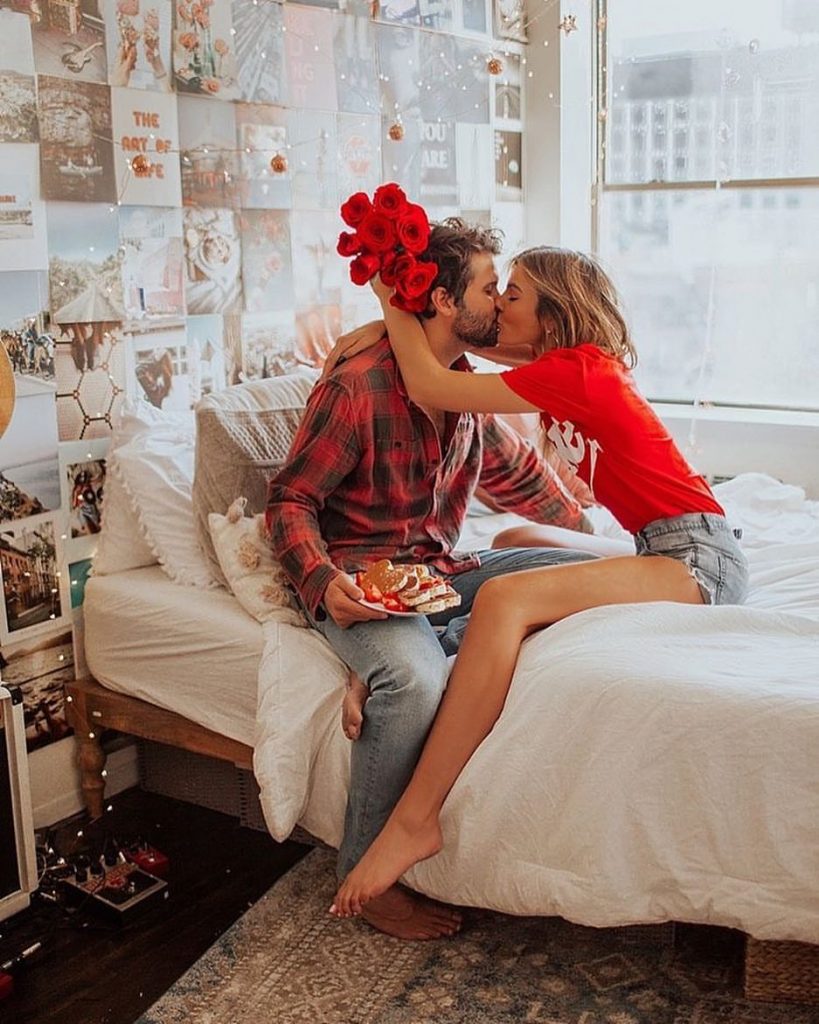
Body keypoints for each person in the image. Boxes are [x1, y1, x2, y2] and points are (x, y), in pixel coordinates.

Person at [328, 245, 750, 921]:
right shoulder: (561, 363)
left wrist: (389, 299)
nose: (499, 304)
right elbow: (453, 344)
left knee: (504, 595)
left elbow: (431, 385)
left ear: (551, 314)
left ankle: (415, 818)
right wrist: (390, 326)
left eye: (513, 293)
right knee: (513, 541)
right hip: (664, 545)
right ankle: (407, 649)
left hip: (698, 559)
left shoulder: (577, 371)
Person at [266, 223, 602, 940]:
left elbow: (519, 476)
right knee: (413, 684)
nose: (500, 300)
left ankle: (403, 655)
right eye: (489, 288)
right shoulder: (358, 384)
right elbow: (289, 501)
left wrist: (590, 526)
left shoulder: (461, 385)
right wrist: (321, 581)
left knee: (593, 576)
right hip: (361, 581)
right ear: (446, 302)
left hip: (441, 575)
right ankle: (369, 874)